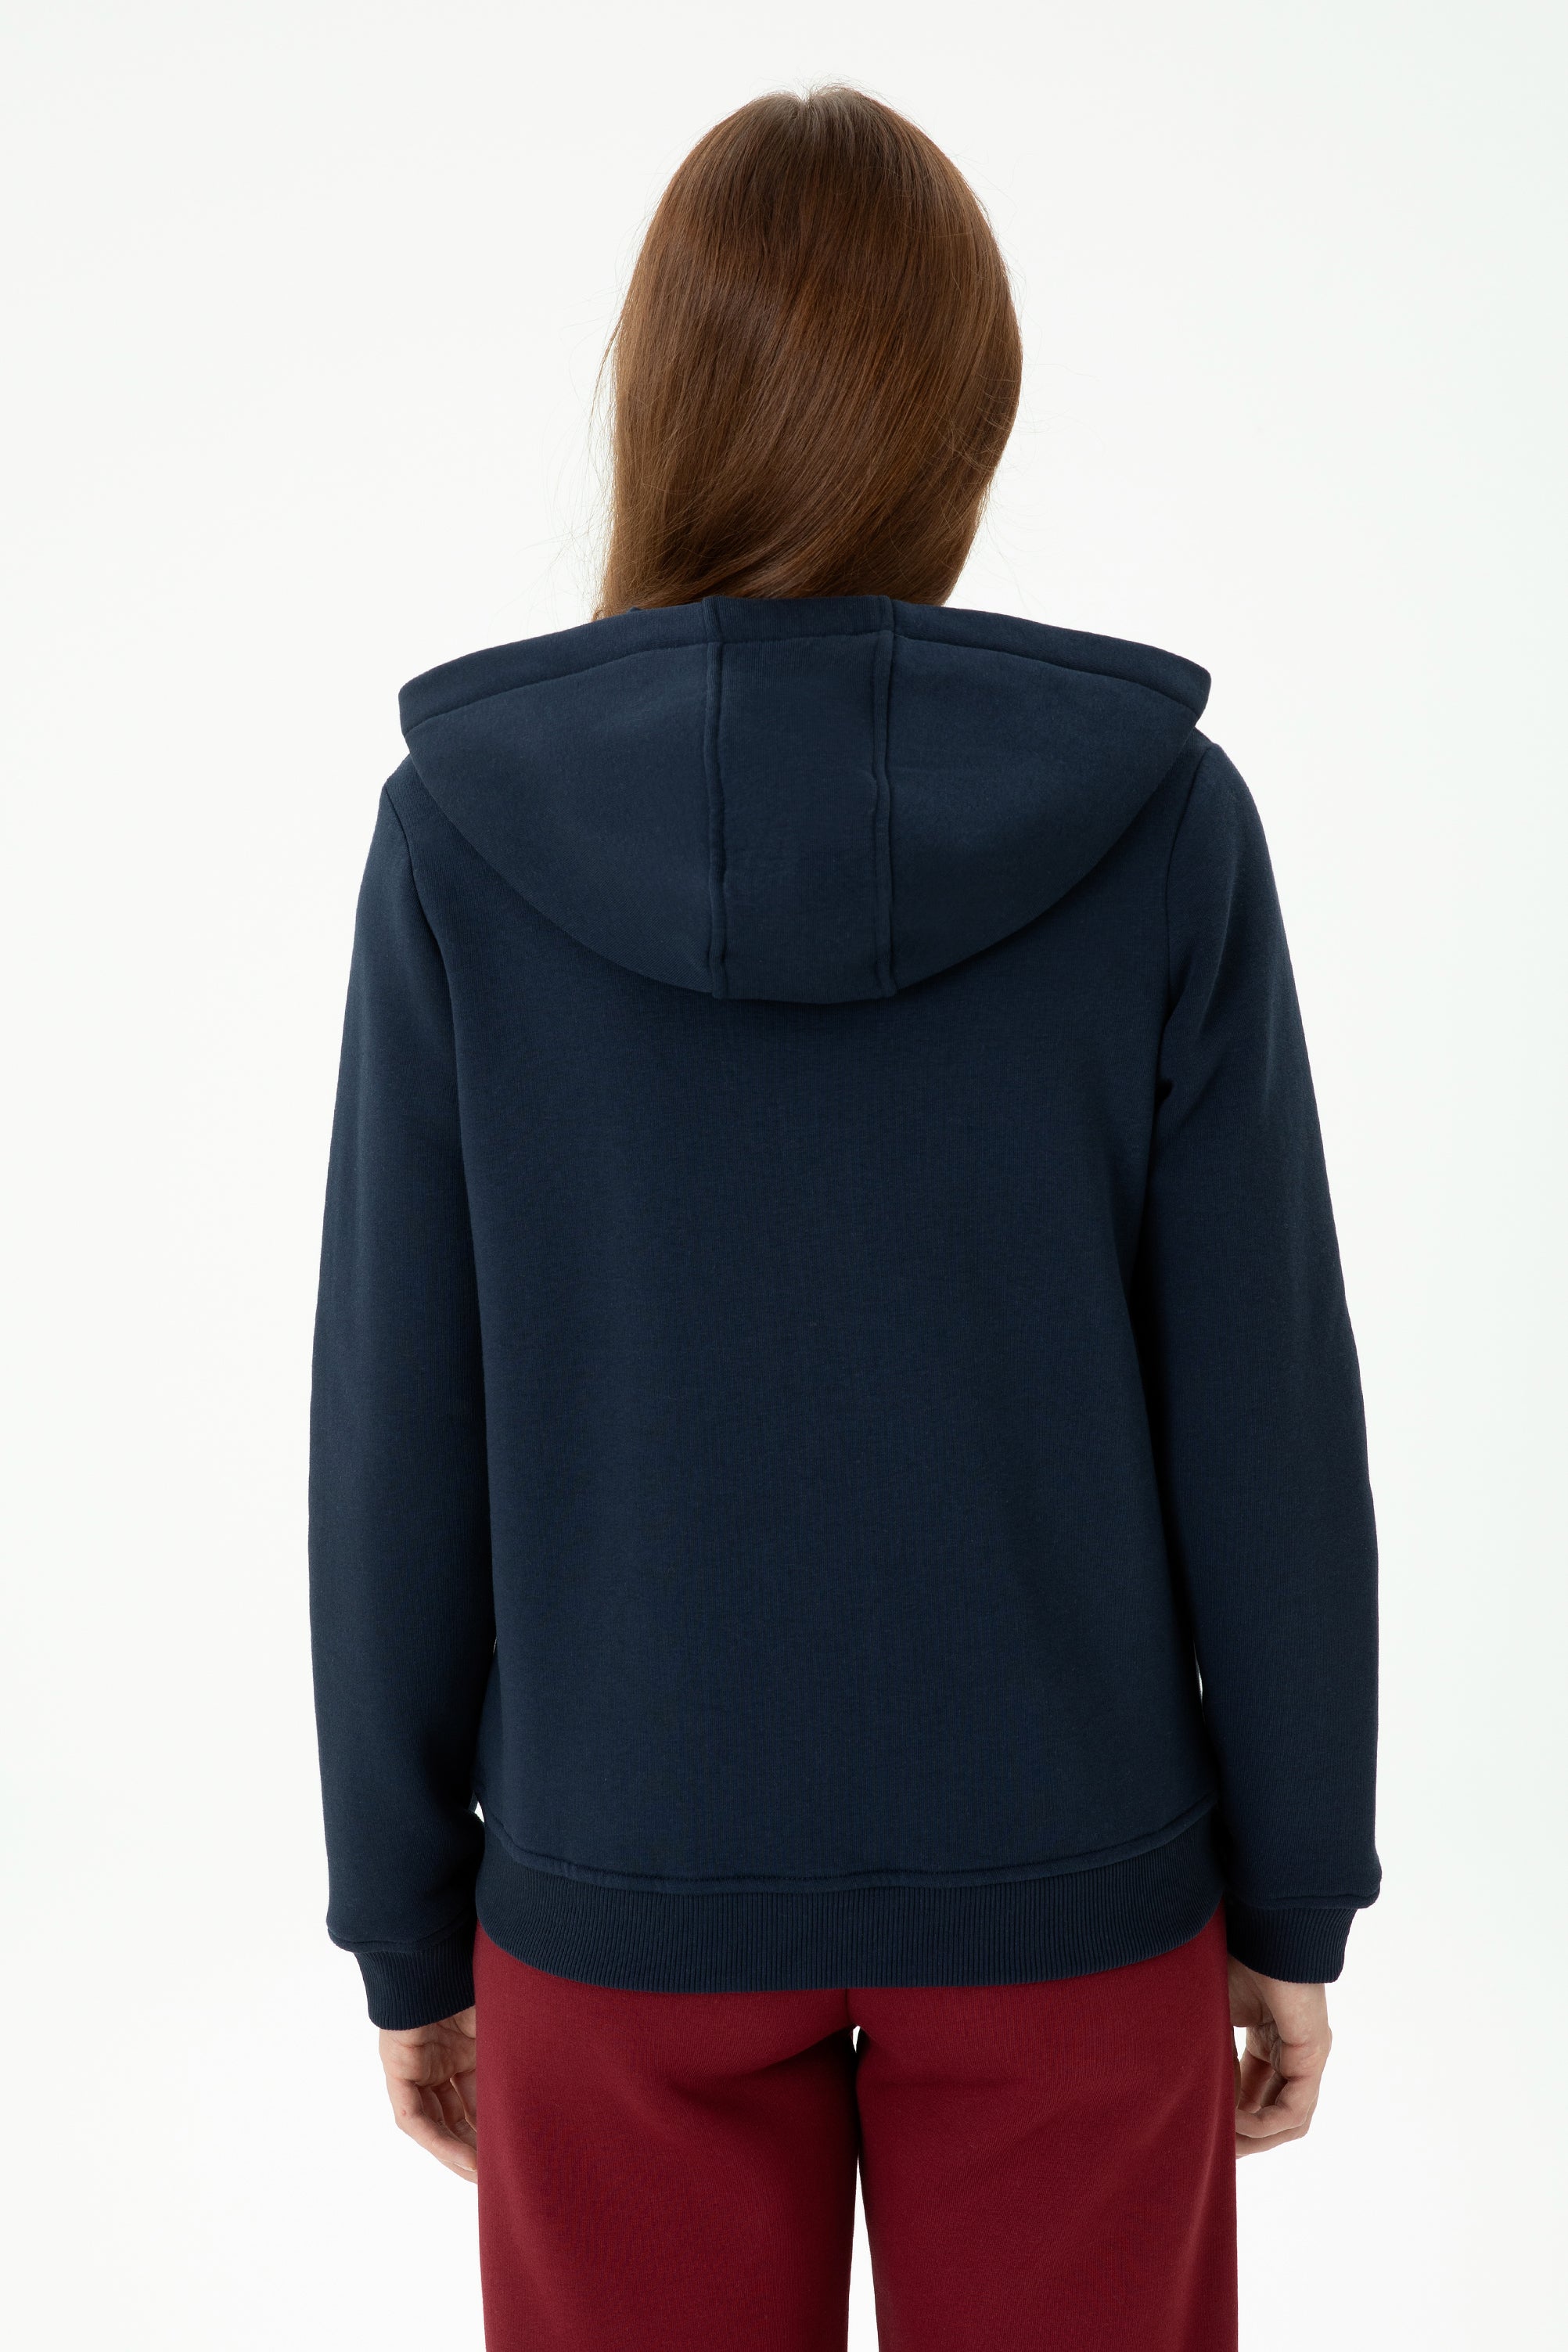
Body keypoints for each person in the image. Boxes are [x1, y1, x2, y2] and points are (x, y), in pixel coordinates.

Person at [308, 85, 1379, 2352]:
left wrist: (408, 1920)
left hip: (621, 1885)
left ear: (658, 401)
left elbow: (402, 1413)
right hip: (1074, 1889)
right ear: (963, 420)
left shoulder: (465, 835)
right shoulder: (1157, 825)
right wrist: (1293, 1889)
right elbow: (1262, 1411)